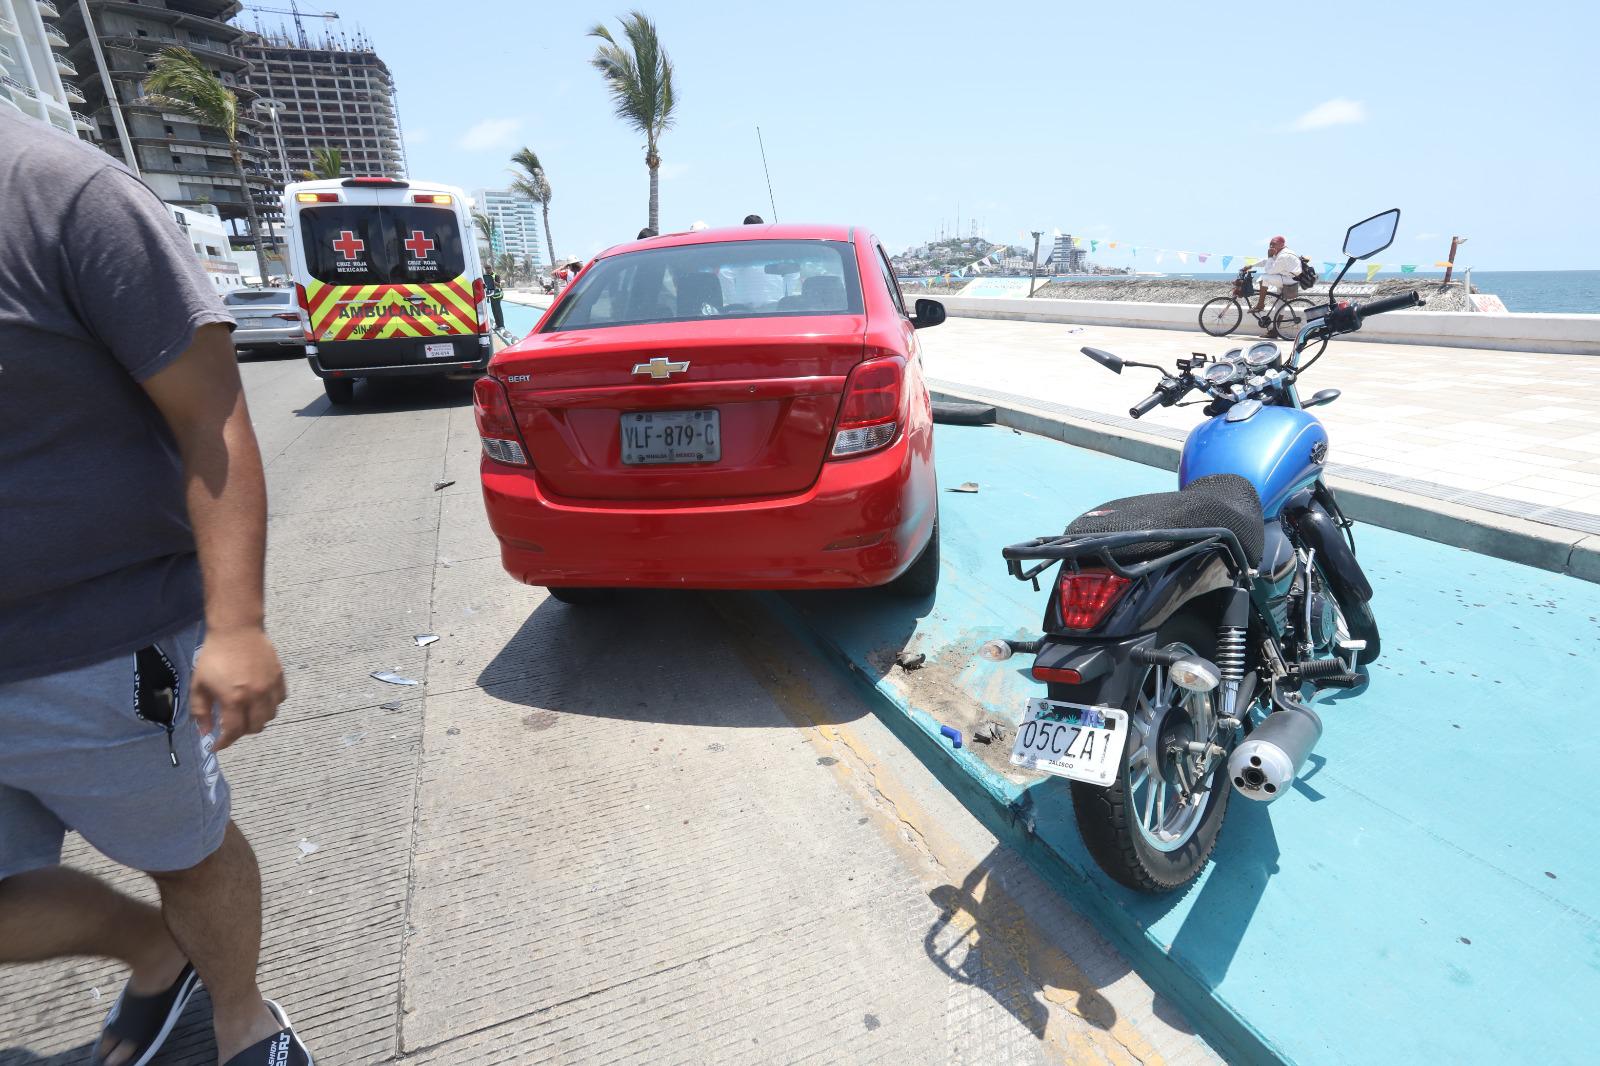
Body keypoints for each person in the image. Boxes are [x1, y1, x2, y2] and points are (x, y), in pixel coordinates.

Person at [0, 113, 311, 1065]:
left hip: (112, 648)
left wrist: (238, 623)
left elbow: (210, 412)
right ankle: (153, 956)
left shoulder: (61, 194)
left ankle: (241, 1019)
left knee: (187, 849)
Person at [1251, 235, 1301, 332]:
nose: (1271, 246)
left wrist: (1270, 256)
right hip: (1287, 279)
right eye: (1270, 244)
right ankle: (1275, 331)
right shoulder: (1280, 253)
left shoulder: (1283, 256)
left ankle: (1260, 304)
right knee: (1280, 305)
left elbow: (1269, 270)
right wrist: (1250, 266)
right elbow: (1266, 262)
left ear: (1281, 244)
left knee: (1263, 278)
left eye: (1274, 244)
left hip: (1288, 280)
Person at [482, 266, 505, 330]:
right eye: (486, 269)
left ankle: (502, 325)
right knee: (494, 311)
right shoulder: (486, 277)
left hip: (497, 296)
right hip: (491, 296)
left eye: (489, 269)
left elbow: (499, 285)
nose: (488, 271)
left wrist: (492, 281)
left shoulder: (496, 276)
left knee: (498, 311)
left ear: (491, 269)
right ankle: (497, 325)